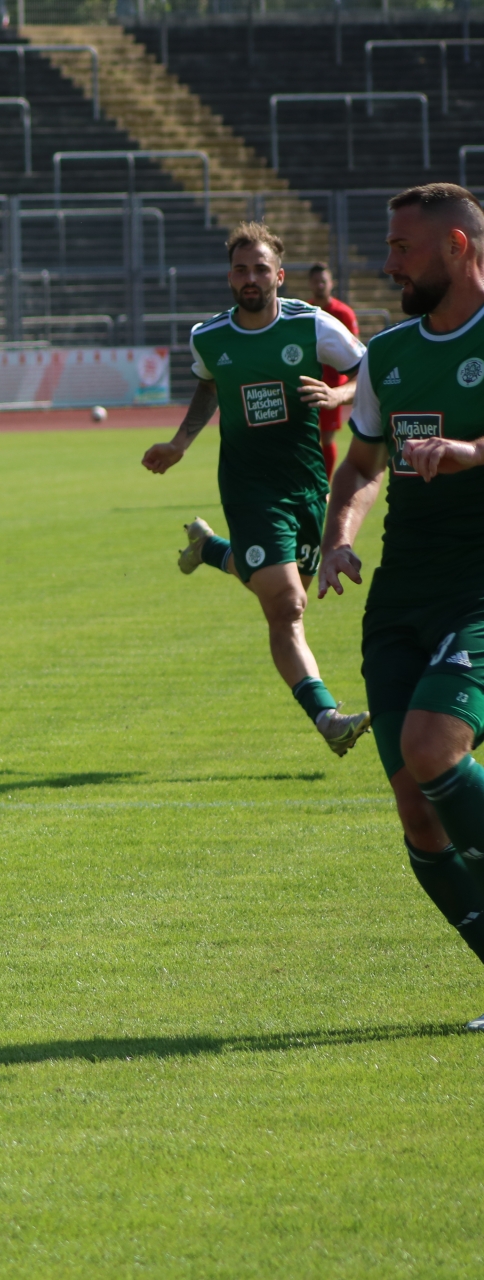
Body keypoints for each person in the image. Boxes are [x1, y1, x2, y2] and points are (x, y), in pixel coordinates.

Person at [319, 184, 484, 1029]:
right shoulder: (385, 356)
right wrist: (338, 535)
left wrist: (470, 451)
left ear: (458, 246)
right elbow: (360, 466)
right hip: (399, 599)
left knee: (430, 746)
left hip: (479, 589)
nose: (388, 264)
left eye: (402, 248)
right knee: (418, 813)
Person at [142, 222, 370, 756]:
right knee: (287, 605)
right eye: (241, 269)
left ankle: (211, 550)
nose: (250, 278)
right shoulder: (209, 336)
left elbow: (371, 372)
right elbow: (208, 385)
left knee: (285, 594)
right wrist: (180, 443)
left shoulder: (313, 325)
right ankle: (328, 718)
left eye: (261, 269)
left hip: (306, 484)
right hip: (248, 487)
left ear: (279, 276)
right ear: (229, 276)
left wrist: (340, 396)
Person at [308, 262, 361, 476]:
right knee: (307, 437)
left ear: (331, 283)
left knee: (327, 437)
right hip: (308, 383)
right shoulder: (306, 312)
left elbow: (355, 349)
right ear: (310, 284)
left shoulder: (343, 313)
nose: (320, 285)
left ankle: (326, 483)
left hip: (333, 386)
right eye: (316, 281)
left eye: (323, 281)